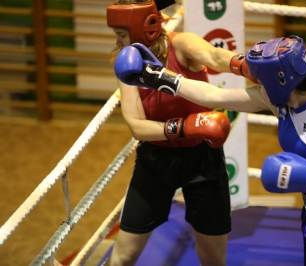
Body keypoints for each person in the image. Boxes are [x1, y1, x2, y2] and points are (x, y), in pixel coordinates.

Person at [114, 35, 306, 265]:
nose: (256, 83)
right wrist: (159, 78)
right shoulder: (280, 100)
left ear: (280, 80)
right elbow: (213, 96)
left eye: (261, 79)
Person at [106, 0, 258, 265]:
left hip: (202, 159)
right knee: (124, 256)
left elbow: (214, 56)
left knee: (213, 258)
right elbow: (137, 127)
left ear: (147, 28)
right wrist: (186, 127)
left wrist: (245, 66)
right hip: (156, 161)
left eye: (121, 35)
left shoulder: (182, 44)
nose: (118, 42)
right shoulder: (127, 63)